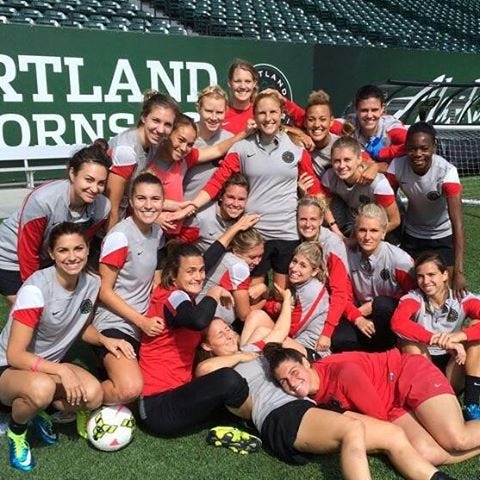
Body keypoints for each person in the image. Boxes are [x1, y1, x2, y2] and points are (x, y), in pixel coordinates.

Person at [196, 291, 455, 480]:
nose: (229, 334)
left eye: (228, 328)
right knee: (352, 429)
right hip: (283, 416)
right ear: (207, 345)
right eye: (220, 334)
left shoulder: (253, 349)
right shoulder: (222, 370)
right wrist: (242, 356)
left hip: (310, 410)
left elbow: (274, 329)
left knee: (393, 435)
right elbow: (204, 370)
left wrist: (287, 300)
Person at [0, 223, 124, 471]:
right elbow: (15, 355)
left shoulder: (92, 283)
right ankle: (17, 430)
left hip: (47, 367)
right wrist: (62, 370)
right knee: (42, 389)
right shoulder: (35, 289)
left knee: (94, 395)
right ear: (51, 253)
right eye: (63, 250)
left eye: (78, 248)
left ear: (87, 249)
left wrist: (104, 340)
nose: (72, 256)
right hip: (8, 368)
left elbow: (81, 325)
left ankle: (38, 412)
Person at [186, 89, 323, 289]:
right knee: (251, 292)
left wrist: (332, 226)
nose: (268, 118)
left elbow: (315, 189)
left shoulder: (296, 147)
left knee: (281, 292)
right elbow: (217, 182)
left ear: (281, 113)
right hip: (255, 234)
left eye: (273, 112)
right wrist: (191, 206)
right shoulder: (241, 148)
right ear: (255, 116)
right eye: (262, 113)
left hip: (288, 233)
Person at [265, 343, 480, 467]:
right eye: (284, 381)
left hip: (407, 374)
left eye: (294, 372)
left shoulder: (343, 373)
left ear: (305, 362)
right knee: (426, 454)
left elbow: (378, 419)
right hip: (390, 404)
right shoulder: (311, 395)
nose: (292, 383)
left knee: (456, 440)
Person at [138, 243, 249, 436]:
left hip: (178, 394)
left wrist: (234, 230)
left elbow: (208, 258)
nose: (198, 277)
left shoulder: (183, 295)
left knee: (229, 383)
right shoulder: (173, 296)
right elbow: (198, 321)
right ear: (173, 275)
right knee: (228, 380)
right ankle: (260, 421)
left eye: (201, 270)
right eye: (190, 271)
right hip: (158, 406)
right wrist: (215, 291)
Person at [0, 140, 111, 305]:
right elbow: (27, 254)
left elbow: (81, 242)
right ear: (72, 173)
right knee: (35, 309)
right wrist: (36, 291)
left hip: (50, 258)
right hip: (12, 259)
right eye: (89, 180)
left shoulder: (103, 207)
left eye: (101, 183)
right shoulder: (42, 201)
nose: (94, 189)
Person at [92, 173, 165, 406]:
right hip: (115, 322)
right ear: (131, 201)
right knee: (129, 389)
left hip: (143, 322)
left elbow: (155, 274)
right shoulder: (120, 237)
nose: (148, 205)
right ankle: (80, 395)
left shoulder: (157, 232)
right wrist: (141, 321)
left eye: (155, 199)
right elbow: (104, 291)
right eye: (141, 198)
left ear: (163, 202)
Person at [391, 252, 480, 419]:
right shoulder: (413, 298)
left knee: (475, 329)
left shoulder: (461, 298)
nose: (426, 281)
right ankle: (427, 398)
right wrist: (437, 339)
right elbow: (398, 323)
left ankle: (471, 404)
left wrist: (459, 336)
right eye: (420, 276)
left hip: (454, 362)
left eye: (431, 275)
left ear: (445, 275)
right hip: (425, 360)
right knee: (408, 341)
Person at [386, 122, 466, 297]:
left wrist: (459, 271)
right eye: (412, 148)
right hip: (413, 235)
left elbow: (458, 224)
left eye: (424, 148)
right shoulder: (396, 166)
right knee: (413, 290)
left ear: (434, 147)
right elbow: (385, 204)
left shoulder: (447, 172)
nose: (418, 154)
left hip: (443, 235)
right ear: (406, 147)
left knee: (445, 292)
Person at [147, 113, 254, 236]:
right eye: (180, 140)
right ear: (168, 133)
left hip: (167, 235)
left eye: (190, 144)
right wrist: (156, 217)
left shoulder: (185, 159)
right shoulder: (147, 163)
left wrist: (245, 133)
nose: (183, 148)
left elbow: (217, 150)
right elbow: (134, 201)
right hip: (148, 232)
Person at [331, 203, 415, 353]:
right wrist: (357, 318)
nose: (367, 237)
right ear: (355, 231)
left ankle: (388, 351)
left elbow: (414, 296)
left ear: (383, 232)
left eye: (374, 231)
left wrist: (374, 306)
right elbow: (343, 296)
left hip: (389, 316)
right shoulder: (346, 256)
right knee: (339, 338)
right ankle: (366, 356)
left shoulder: (400, 260)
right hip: (359, 314)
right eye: (362, 230)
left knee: (381, 304)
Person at [105, 91, 178, 230]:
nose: (160, 129)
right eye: (156, 120)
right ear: (144, 117)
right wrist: (112, 240)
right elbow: (111, 208)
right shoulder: (126, 151)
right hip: (103, 228)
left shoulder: (153, 145)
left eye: (168, 124)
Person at [297, 195, 350, 349]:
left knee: (340, 340)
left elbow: (340, 292)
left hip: (332, 304)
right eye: (303, 219)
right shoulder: (295, 238)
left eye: (313, 219)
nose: (308, 224)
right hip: (306, 298)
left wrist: (327, 332)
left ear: (321, 220)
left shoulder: (332, 244)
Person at [321, 136, 400, 237]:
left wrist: (364, 237)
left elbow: (395, 221)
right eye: (337, 161)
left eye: (347, 160)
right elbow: (324, 205)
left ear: (359, 159)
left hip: (380, 227)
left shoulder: (377, 184)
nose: (341, 166)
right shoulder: (329, 177)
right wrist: (336, 232)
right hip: (354, 218)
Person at [331, 84, 408, 183]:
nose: (369, 115)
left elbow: (412, 144)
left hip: (395, 181)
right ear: (356, 109)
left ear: (382, 109)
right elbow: (322, 123)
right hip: (362, 180)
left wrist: (382, 153)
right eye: (364, 110)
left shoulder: (391, 126)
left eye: (374, 110)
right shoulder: (350, 124)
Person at [201, 227, 264, 326]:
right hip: (212, 320)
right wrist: (265, 300)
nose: (257, 262)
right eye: (252, 257)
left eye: (260, 256)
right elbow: (244, 315)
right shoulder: (239, 267)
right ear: (236, 250)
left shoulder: (223, 255)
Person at [183, 85, 234, 200]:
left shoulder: (230, 140)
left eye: (219, 112)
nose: (214, 117)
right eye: (209, 111)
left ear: (226, 111)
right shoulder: (185, 136)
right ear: (198, 108)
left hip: (215, 209)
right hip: (183, 205)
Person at [180, 173, 250, 252]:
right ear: (220, 196)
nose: (235, 204)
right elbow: (181, 248)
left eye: (241, 199)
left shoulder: (245, 217)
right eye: (231, 197)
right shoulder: (199, 217)